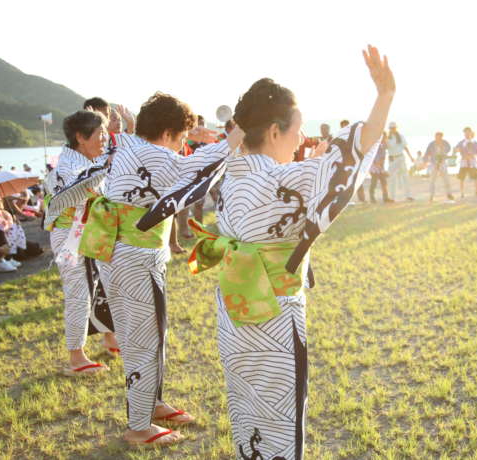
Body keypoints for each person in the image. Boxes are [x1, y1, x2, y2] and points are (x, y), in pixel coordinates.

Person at [136, 44, 395, 459]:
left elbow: (289, 180)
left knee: (247, 410)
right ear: (274, 131)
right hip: (274, 318)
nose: (302, 139)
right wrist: (384, 98)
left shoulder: (235, 174)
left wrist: (299, 168)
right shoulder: (285, 179)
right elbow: (354, 152)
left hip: (235, 315)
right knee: (281, 418)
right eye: (298, 129)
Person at [50, 92, 245, 445]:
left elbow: (157, 147)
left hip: (118, 254)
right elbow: (201, 167)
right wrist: (237, 133)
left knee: (143, 333)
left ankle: (151, 402)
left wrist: (134, 124)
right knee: (144, 337)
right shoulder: (159, 155)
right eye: (182, 138)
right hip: (135, 258)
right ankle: (138, 426)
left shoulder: (127, 144)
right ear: (168, 133)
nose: (183, 145)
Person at [44, 110, 121, 378]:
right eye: (99, 133)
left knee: (101, 285)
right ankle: (76, 356)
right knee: (79, 294)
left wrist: (120, 132)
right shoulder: (68, 166)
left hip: (88, 232)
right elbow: (80, 186)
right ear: (80, 137)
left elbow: (106, 158)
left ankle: (110, 337)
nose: (104, 138)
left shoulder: (87, 157)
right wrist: (106, 165)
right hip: (70, 236)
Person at [387, 122, 414, 201]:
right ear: (389, 129)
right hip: (392, 159)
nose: (393, 129)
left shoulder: (400, 136)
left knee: (405, 177)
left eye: (394, 128)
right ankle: (392, 197)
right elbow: (385, 148)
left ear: (396, 128)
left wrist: (411, 157)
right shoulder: (387, 138)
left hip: (401, 157)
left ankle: (408, 196)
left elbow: (405, 147)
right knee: (392, 178)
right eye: (391, 128)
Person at [424, 131, 454, 201]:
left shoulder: (445, 143)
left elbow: (448, 149)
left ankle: (449, 194)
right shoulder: (431, 144)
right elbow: (427, 153)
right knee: (432, 180)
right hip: (433, 163)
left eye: (439, 137)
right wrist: (424, 162)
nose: (437, 138)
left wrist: (442, 150)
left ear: (442, 137)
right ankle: (431, 195)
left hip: (442, 163)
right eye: (436, 137)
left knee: (446, 179)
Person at [454, 127, 477, 197]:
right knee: (462, 178)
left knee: (476, 177)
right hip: (464, 162)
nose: (467, 133)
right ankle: (462, 193)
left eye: (468, 132)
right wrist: (458, 150)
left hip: (472, 161)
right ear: (464, 133)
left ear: (471, 132)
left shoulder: (474, 142)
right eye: (466, 132)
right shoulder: (461, 142)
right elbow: (455, 149)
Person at [369, 132, 392, 203]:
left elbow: (390, 148)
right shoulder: (375, 145)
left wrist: (381, 164)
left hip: (381, 167)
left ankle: (386, 198)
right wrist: (377, 163)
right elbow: (371, 156)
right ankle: (372, 198)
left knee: (384, 183)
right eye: (383, 137)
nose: (384, 138)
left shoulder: (384, 145)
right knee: (374, 183)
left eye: (385, 137)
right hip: (374, 168)